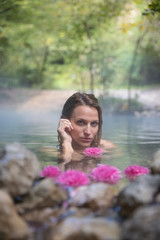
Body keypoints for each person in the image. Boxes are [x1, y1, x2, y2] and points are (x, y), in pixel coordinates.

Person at [57, 92, 115, 162]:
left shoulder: (107, 147)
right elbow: (63, 169)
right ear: (65, 122)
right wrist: (66, 142)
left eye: (94, 123)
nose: (88, 132)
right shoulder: (52, 152)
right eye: (81, 122)